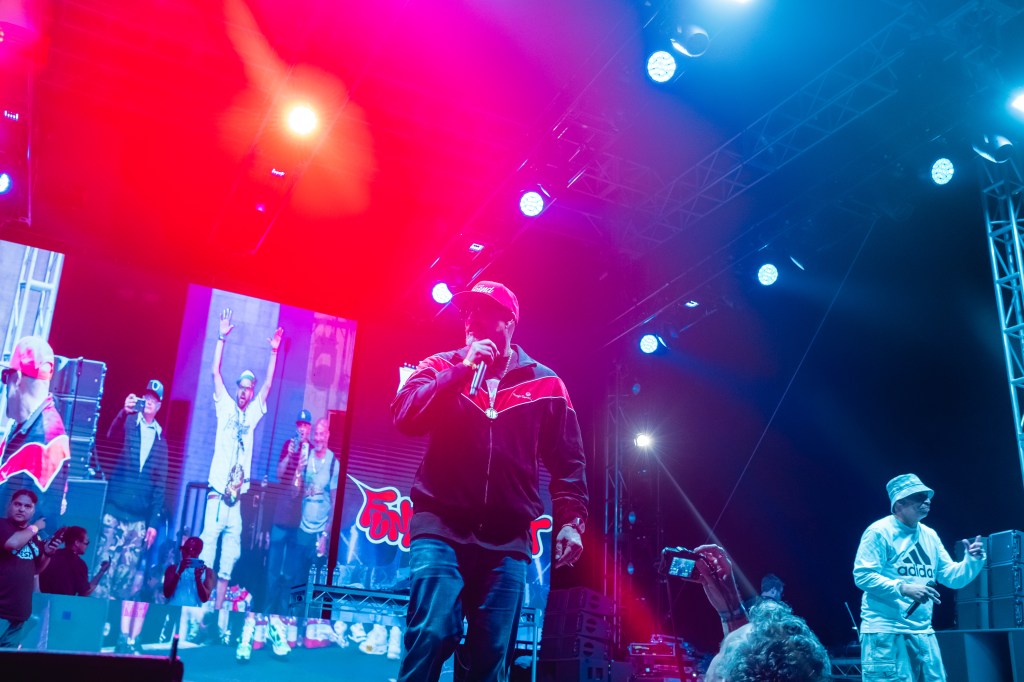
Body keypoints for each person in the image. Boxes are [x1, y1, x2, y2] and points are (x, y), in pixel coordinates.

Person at [391, 280, 589, 682]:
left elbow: (569, 460)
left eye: (483, 311)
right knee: (432, 633)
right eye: (467, 311)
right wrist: (461, 371)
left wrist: (571, 521)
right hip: (441, 529)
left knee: (491, 656)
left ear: (509, 322)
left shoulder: (547, 384)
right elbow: (405, 416)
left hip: (507, 540)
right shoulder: (440, 367)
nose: (471, 319)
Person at [853, 473, 985, 681]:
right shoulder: (879, 531)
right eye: (919, 496)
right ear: (899, 503)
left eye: (928, 496)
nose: (927, 501)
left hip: (923, 632)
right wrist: (903, 587)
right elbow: (863, 576)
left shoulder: (929, 535)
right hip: (886, 632)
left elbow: (952, 577)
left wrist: (972, 561)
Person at [199, 308, 283, 616]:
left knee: (229, 560)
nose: (246, 392)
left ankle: (218, 612)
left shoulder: (253, 415)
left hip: (236, 502)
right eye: (242, 388)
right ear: (237, 390)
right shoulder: (225, 406)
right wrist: (221, 337)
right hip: (216, 497)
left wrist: (273, 352)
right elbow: (214, 372)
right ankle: (201, 609)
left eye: (249, 388)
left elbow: (269, 386)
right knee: (207, 555)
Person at [692, 544, 830, 682]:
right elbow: (749, 652)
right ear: (775, 590)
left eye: (723, 652)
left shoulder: (751, 604)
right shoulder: (775, 634)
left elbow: (744, 651)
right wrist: (731, 611)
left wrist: (733, 611)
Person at [93, 379, 168, 600]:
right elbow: (110, 438)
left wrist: (152, 523)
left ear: (159, 405)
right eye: (147, 397)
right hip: (115, 512)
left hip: (138, 521)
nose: (149, 402)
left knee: (124, 579)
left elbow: (160, 485)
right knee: (102, 571)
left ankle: (113, 619)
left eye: (154, 399)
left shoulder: (160, 440)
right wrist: (123, 413)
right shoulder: (128, 423)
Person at [0, 336, 70, 524]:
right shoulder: (21, 426)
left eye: (5, 377)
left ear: (17, 378)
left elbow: (39, 525)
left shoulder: (46, 441)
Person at [261, 408, 314, 615]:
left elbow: (313, 484)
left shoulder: (313, 451)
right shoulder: (288, 445)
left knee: (291, 572)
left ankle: (284, 614)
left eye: (305, 425)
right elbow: (278, 474)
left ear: (309, 428)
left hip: (299, 519)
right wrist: (289, 456)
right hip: (281, 516)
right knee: (273, 570)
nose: (302, 428)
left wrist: (305, 467)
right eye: (299, 425)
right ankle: (266, 612)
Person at [0, 489, 61, 647]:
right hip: (1, 611)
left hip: (19, 613)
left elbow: (37, 570)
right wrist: (35, 527)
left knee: (8, 660)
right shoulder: (3, 525)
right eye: (18, 504)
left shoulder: (34, 538)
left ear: (33, 511)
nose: (21, 509)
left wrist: (47, 554)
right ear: (9, 505)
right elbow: (12, 543)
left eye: (27, 506)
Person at [39, 525, 109, 596]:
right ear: (77, 543)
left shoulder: (51, 555)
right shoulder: (79, 565)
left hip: (40, 599)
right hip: (62, 602)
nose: (87, 546)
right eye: (86, 542)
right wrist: (101, 571)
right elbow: (85, 592)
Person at [164, 536, 215, 606]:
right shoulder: (172, 569)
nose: (185, 553)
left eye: (189, 550)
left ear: (198, 552)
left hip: (192, 611)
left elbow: (204, 599)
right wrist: (178, 573)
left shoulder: (207, 572)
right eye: (183, 549)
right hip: (173, 609)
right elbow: (167, 594)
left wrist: (198, 579)